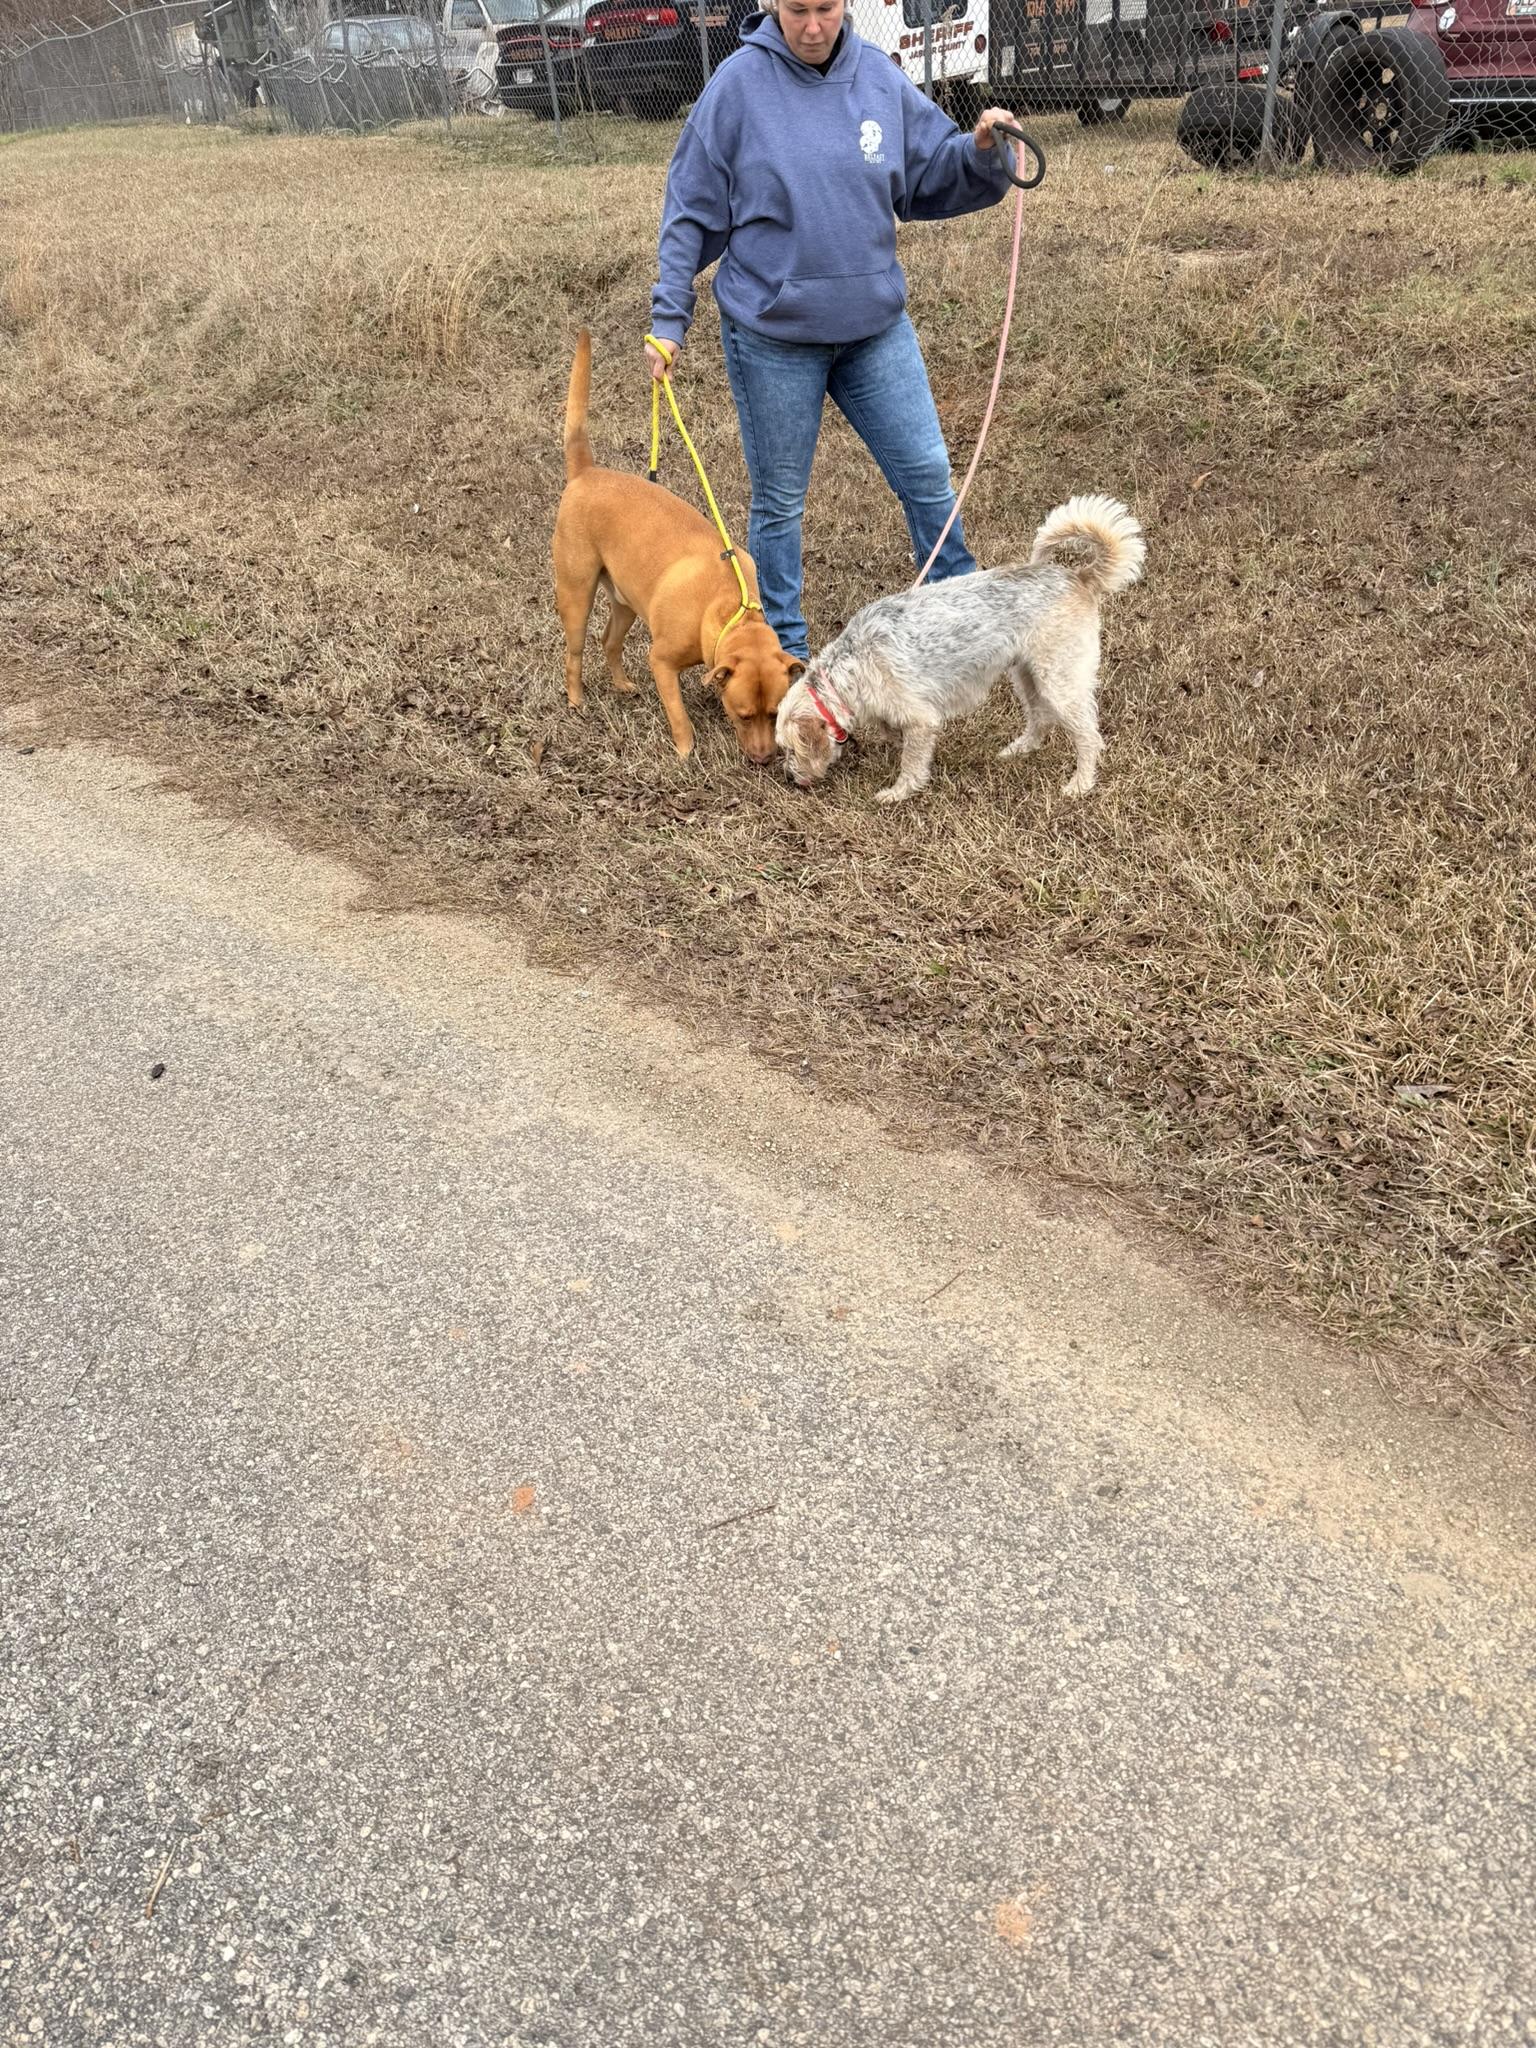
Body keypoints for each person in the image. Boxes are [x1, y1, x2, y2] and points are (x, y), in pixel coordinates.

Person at [645, 0, 1016, 663]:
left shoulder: (878, 75)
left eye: (826, 8)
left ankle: (963, 616)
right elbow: (691, 210)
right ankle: (784, 653)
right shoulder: (736, 87)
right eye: (797, 10)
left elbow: (933, 167)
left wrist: (983, 150)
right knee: (781, 503)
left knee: (928, 474)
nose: (813, 26)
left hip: (874, 330)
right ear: (769, 6)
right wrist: (670, 318)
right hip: (773, 336)